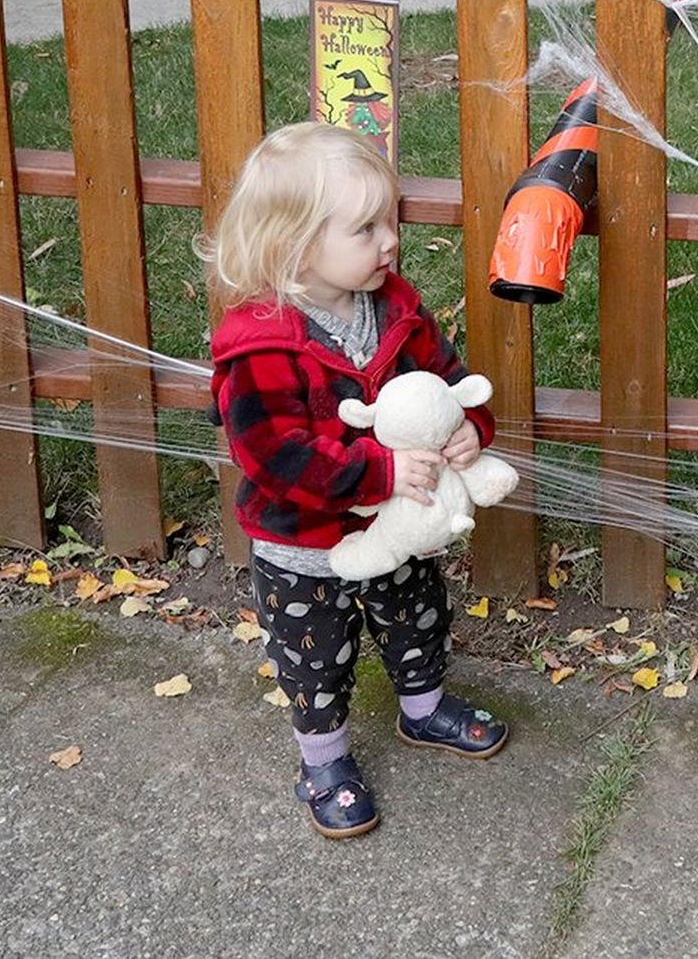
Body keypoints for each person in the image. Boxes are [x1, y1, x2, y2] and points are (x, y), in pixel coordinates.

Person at [201, 122, 510, 839]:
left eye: (390, 219)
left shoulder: (394, 308)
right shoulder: (262, 342)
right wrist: (382, 469)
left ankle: (424, 706)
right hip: (303, 546)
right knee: (315, 654)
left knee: (418, 616)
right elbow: (271, 452)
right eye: (365, 227)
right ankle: (326, 759)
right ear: (297, 245)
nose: (390, 239)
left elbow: (449, 379)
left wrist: (471, 426)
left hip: (398, 530)